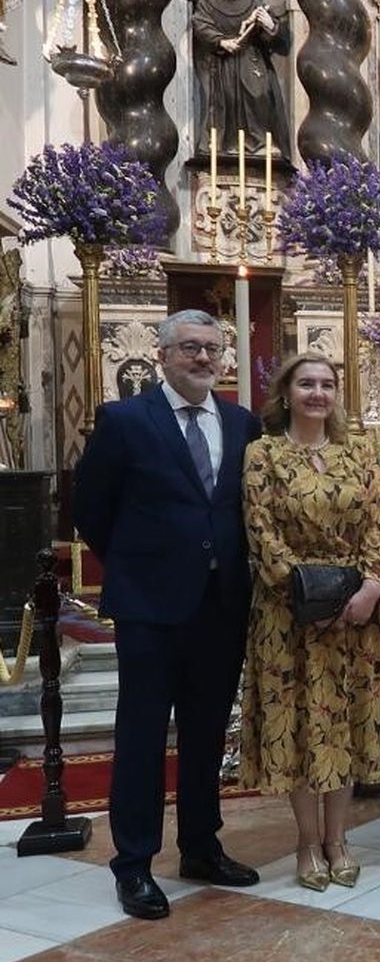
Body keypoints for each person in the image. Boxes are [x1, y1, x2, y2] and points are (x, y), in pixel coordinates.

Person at [74, 310, 262, 920]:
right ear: (162, 355)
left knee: (208, 733)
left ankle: (201, 846)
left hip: (220, 605)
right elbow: (92, 510)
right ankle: (133, 864)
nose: (203, 358)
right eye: (190, 348)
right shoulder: (126, 420)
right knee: (143, 735)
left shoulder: (241, 423)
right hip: (151, 606)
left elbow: (240, 512)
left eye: (212, 349)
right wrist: (141, 565)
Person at [240, 354, 380, 891]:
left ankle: (339, 838)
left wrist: (371, 586)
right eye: (307, 383)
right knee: (301, 726)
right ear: (286, 393)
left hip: (356, 616)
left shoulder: (359, 453)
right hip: (290, 617)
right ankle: (307, 843)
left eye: (327, 384)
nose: (318, 393)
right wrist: (310, 595)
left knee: (344, 724)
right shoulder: (264, 454)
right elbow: (261, 533)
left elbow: (379, 526)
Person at [191, 0, 290, 156]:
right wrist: (221, 41)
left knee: (259, 94)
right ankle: (227, 144)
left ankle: (260, 142)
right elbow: (201, 25)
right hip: (222, 61)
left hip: (250, 58)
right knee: (227, 98)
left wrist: (269, 24)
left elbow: (269, 36)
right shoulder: (207, 0)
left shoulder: (251, 2)